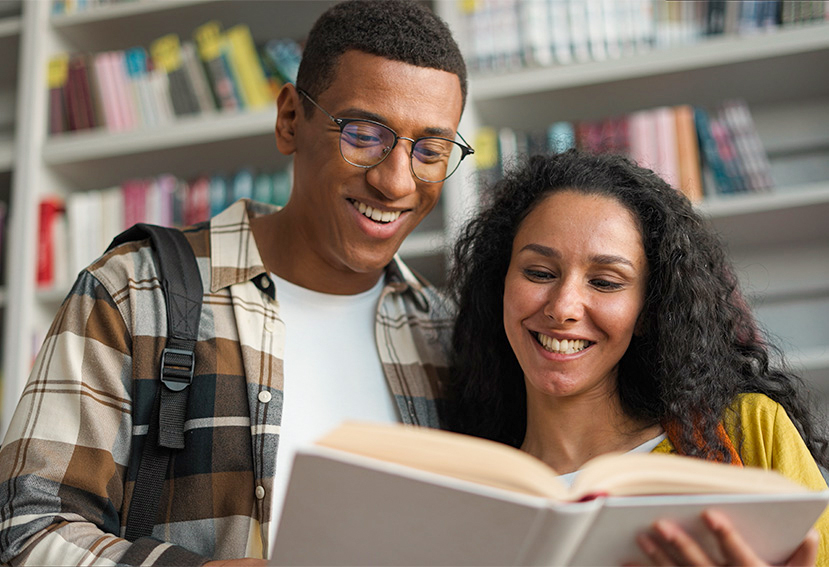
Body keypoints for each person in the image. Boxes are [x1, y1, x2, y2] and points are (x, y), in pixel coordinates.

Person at [0, 1, 470, 565]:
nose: (397, 181)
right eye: (364, 134)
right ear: (290, 119)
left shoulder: (449, 332)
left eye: (431, 151)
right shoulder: (131, 292)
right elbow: (31, 531)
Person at [447, 149, 829, 565]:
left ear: (648, 310)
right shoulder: (467, 494)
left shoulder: (747, 432)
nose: (564, 307)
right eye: (539, 273)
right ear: (499, 285)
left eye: (606, 282)